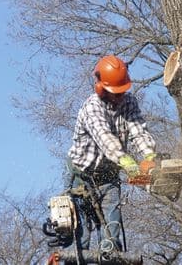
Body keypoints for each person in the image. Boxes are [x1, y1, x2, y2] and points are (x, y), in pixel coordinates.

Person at [67, 55, 156, 253]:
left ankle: (110, 256)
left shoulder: (129, 102)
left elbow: (138, 130)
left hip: (109, 175)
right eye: (115, 93)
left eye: (122, 92)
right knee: (82, 234)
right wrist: (129, 164)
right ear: (101, 87)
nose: (119, 97)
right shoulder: (92, 107)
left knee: (112, 231)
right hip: (83, 175)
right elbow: (105, 138)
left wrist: (149, 157)